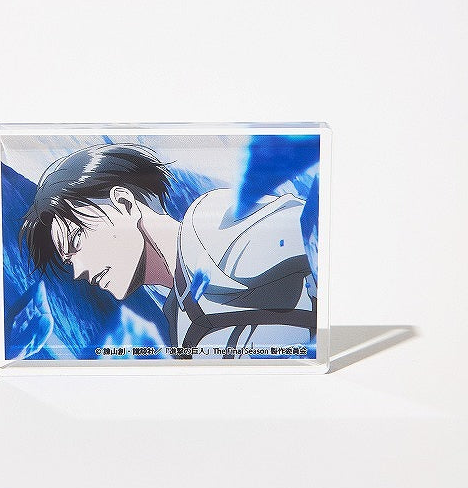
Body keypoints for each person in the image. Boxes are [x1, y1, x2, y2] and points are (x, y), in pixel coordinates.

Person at [20, 144, 316, 358]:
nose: (79, 271)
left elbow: (314, 233)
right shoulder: (179, 318)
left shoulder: (215, 226)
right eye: (69, 260)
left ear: (124, 204)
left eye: (77, 241)